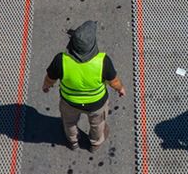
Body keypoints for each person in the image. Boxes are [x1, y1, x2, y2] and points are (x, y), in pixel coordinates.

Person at [42, 21, 126, 152]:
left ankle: (73, 142)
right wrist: (120, 89)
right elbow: (114, 81)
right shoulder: (103, 61)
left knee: (69, 123)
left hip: (69, 102)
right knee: (97, 125)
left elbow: (49, 78)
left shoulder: (61, 60)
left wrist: (46, 86)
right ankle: (95, 144)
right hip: (96, 104)